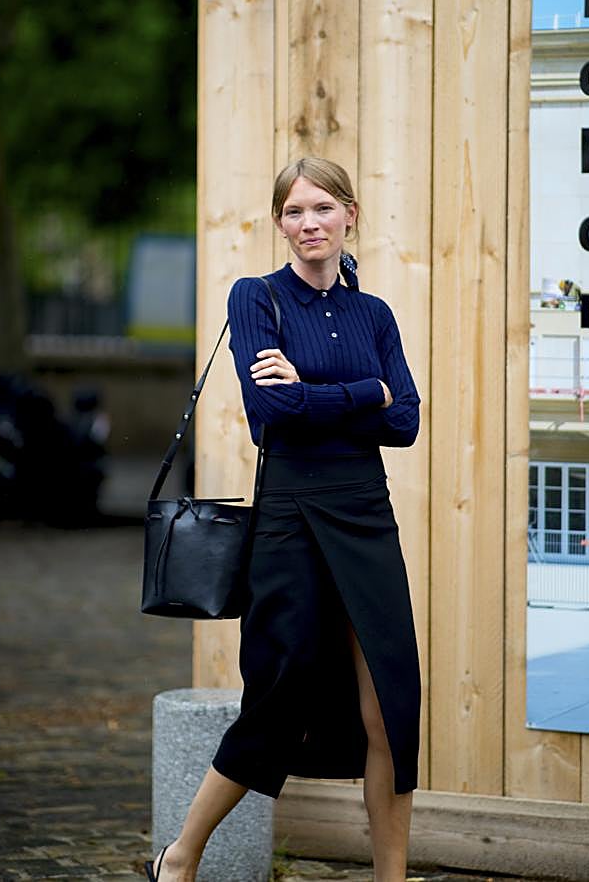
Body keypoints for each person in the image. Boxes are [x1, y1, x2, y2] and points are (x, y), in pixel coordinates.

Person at [146, 156, 422, 882]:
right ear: (280, 223)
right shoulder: (256, 298)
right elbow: (271, 414)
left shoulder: (375, 314)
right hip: (289, 519)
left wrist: (328, 393)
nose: (310, 224)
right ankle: (181, 857)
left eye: (323, 209)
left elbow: (408, 422)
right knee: (278, 696)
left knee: (392, 704)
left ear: (349, 216)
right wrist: (367, 393)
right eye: (295, 212)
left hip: (366, 515)